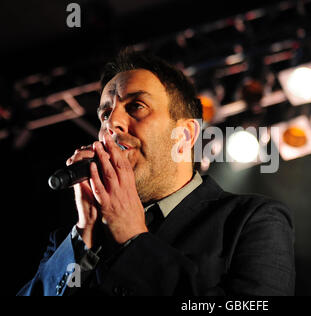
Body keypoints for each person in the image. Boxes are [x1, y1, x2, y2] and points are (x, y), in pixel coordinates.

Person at [18, 49, 295, 296]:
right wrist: (84, 237)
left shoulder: (252, 220)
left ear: (185, 135)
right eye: (104, 114)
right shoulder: (72, 240)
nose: (112, 123)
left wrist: (134, 240)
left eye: (136, 106)